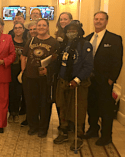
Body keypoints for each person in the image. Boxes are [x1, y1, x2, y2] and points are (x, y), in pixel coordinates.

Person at [84, 11, 123, 146]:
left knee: (105, 109)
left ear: (106, 21)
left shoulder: (114, 39)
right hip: (89, 80)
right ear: (93, 20)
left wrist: (112, 78)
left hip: (105, 81)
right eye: (96, 19)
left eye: (101, 19)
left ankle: (107, 136)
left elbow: (118, 61)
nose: (98, 21)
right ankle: (93, 129)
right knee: (92, 106)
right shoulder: (87, 38)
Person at [53, 20, 93, 151]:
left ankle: (78, 136)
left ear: (79, 31)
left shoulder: (85, 44)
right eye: (69, 31)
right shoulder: (64, 44)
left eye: (74, 30)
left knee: (78, 110)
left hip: (78, 84)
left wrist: (77, 79)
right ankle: (63, 132)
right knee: (63, 107)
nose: (71, 33)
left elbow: (88, 66)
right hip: (63, 81)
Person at [21, 19, 59, 138]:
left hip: (44, 78)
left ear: (48, 27)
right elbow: (23, 56)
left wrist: (49, 70)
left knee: (44, 104)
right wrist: (24, 71)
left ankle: (43, 128)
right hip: (30, 77)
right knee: (31, 103)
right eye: (39, 25)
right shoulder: (31, 40)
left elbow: (57, 60)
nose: (41, 27)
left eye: (43, 25)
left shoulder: (54, 42)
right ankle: (33, 126)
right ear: (36, 27)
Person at [54, 12, 73, 130]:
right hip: (58, 72)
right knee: (59, 100)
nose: (63, 21)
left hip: (70, 72)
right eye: (61, 19)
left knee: (69, 101)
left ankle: (70, 124)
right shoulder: (57, 35)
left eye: (65, 19)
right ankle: (62, 123)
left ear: (70, 20)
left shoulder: (74, 36)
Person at [8, 22, 26, 123]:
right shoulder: (9, 41)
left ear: (23, 30)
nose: (18, 30)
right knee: (10, 92)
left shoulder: (26, 43)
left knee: (19, 92)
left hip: (21, 71)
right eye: (16, 28)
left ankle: (17, 112)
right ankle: (11, 112)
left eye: (20, 28)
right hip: (10, 70)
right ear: (13, 30)